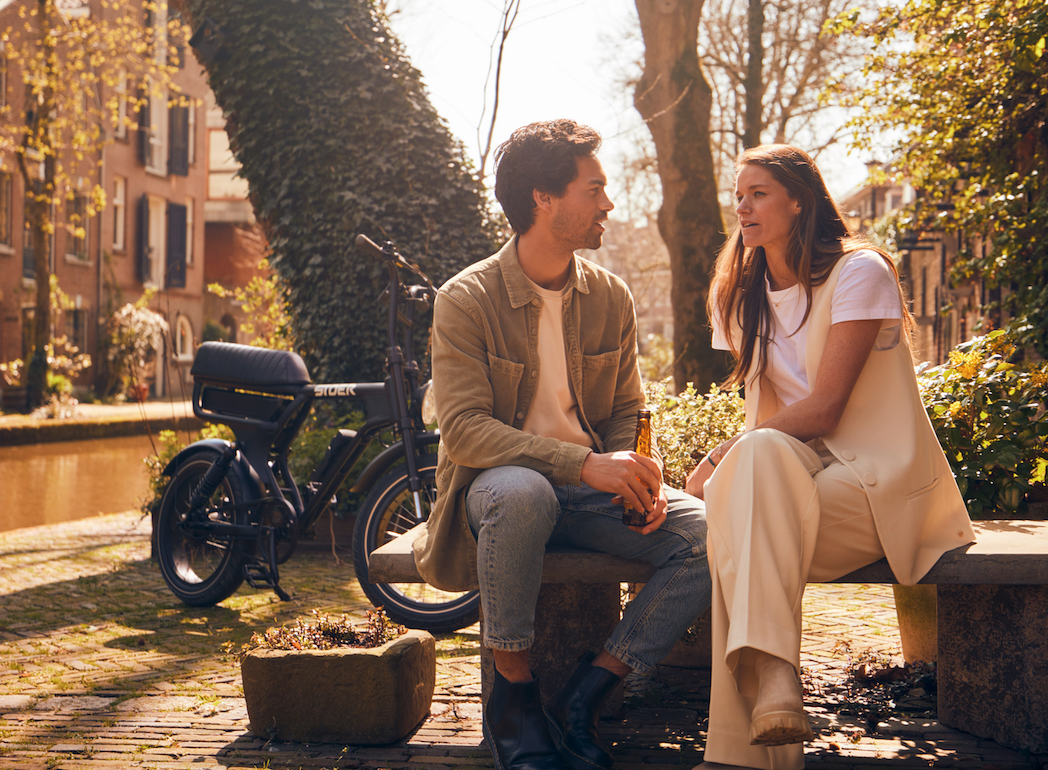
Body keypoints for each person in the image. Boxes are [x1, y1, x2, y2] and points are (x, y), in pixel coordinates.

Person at [413, 119, 711, 770]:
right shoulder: (466, 299)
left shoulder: (609, 296)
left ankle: (589, 692)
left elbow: (628, 405)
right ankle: (514, 697)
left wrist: (634, 472)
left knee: (709, 536)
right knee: (522, 492)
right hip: (500, 490)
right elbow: (463, 430)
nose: (608, 204)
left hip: (590, 492)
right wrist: (585, 464)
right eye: (594, 189)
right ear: (543, 200)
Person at [684, 144, 976, 770]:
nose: (743, 206)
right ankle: (777, 686)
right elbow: (769, 427)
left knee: (740, 519)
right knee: (755, 472)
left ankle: (742, 750)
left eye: (758, 193)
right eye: (738, 195)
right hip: (789, 485)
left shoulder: (859, 272)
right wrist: (736, 462)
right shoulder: (739, 292)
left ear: (799, 199)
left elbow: (824, 410)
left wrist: (719, 459)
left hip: (878, 489)